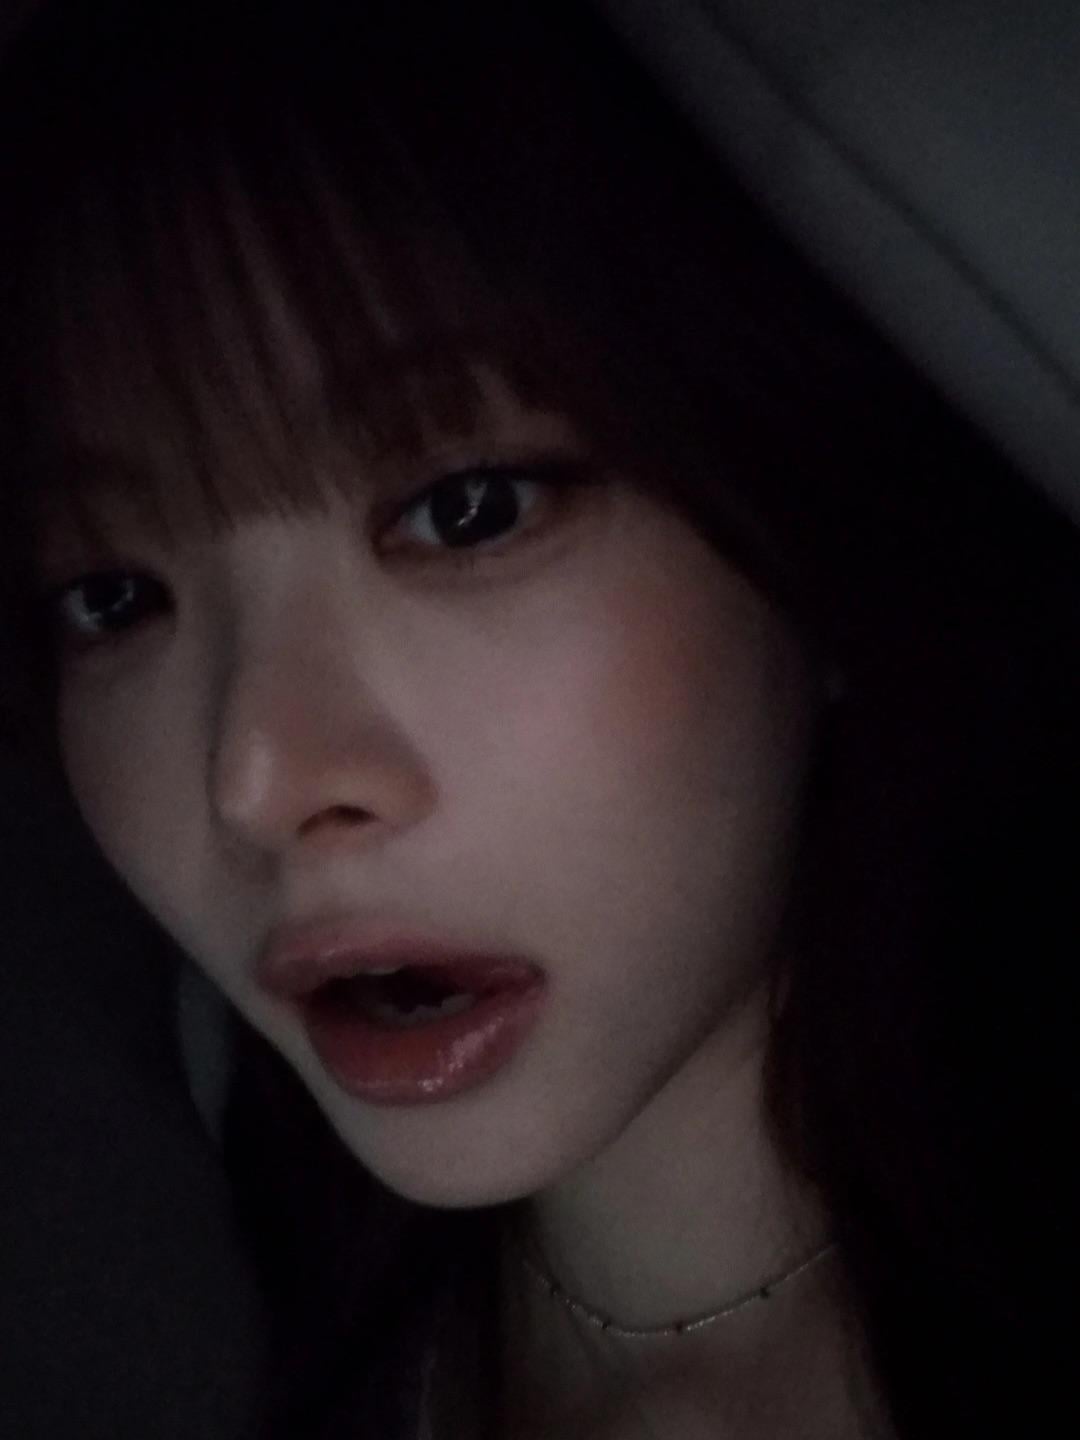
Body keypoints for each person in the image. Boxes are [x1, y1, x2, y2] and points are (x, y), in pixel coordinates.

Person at [0, 0, 1076, 1436]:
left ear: (813, 537)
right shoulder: (163, 1280)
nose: (255, 779)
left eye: (469, 510)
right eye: (112, 597)